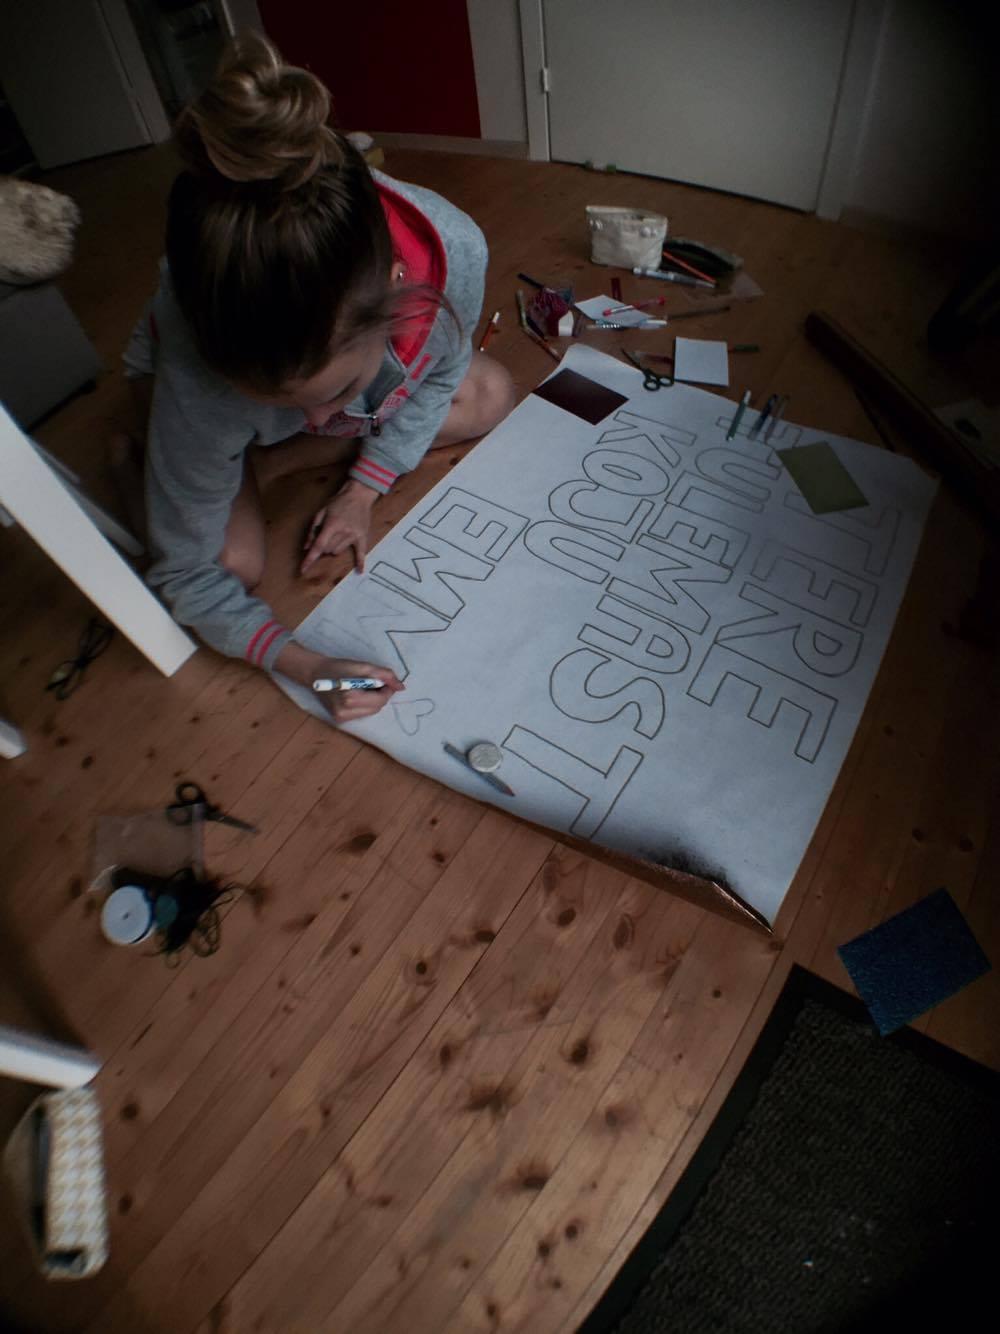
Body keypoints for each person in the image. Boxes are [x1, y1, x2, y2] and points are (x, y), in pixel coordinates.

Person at [120, 33, 514, 723]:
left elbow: (440, 375)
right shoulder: (202, 362)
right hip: (187, 398)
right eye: (274, 400)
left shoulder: (454, 246)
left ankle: (257, 463)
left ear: (397, 290)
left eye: (333, 391)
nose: (316, 418)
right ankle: (147, 457)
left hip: (278, 406)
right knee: (233, 563)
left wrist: (364, 490)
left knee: (491, 394)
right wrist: (309, 667)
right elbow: (187, 575)